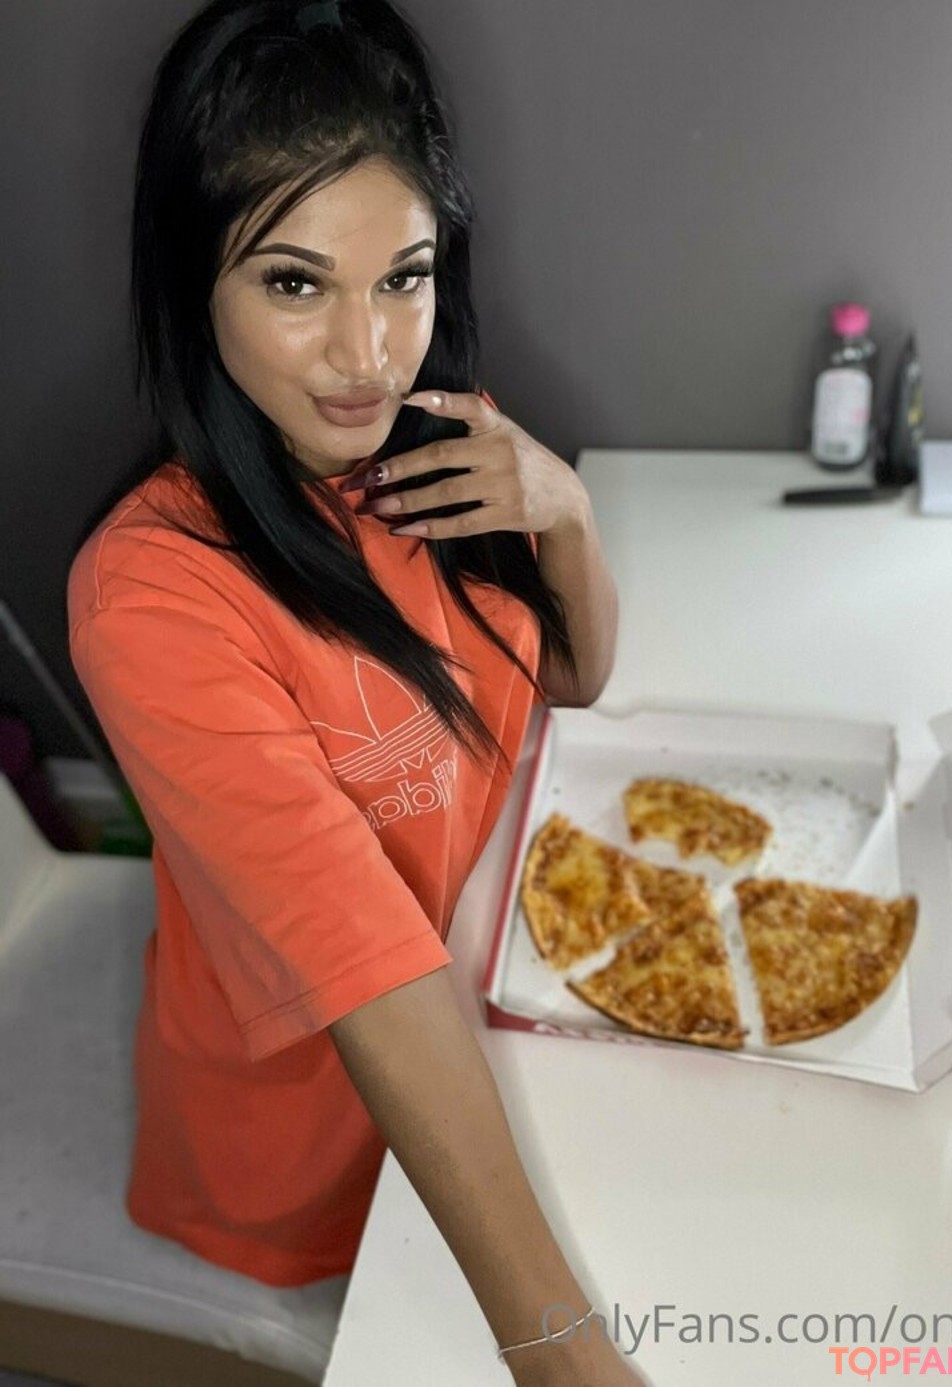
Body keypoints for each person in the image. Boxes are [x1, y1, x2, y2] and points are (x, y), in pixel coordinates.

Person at [67, 1, 647, 1382]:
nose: (369, 355)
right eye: (295, 284)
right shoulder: (151, 597)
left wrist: (564, 513)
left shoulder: (432, 452)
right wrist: (561, 1353)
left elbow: (573, 677)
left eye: (404, 278)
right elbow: (365, 971)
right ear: (195, 284)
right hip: (324, 1141)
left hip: (502, 1032)